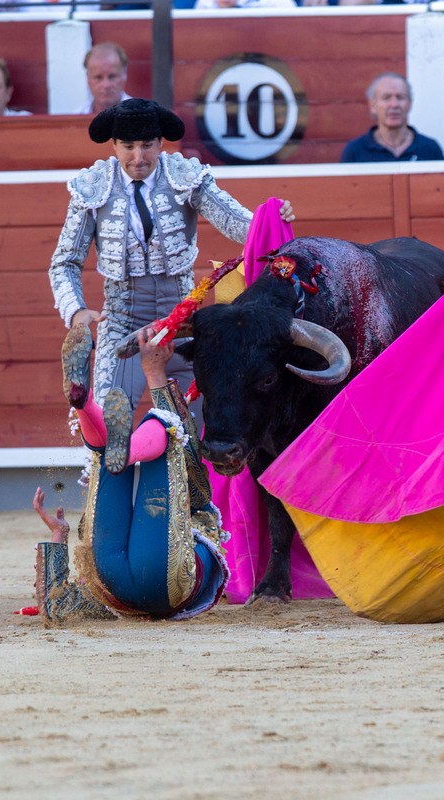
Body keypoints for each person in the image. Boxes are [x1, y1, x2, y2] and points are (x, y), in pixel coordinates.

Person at [49, 97, 294, 410]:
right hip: (122, 324)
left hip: (183, 323)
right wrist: (76, 312)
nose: (138, 157)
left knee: (198, 431)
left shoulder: (184, 177)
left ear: (161, 143)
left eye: (147, 145)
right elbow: (64, 263)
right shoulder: (93, 189)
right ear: (113, 146)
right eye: (128, 146)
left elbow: (234, 222)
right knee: (111, 433)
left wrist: (271, 219)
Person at [31, 322, 229, 626]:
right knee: (169, 434)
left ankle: (84, 405)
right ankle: (122, 446)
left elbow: (59, 608)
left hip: (112, 585)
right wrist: (154, 371)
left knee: (117, 451)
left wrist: (59, 533)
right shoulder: (196, 507)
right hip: (160, 577)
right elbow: (56, 605)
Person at [339, 72, 444, 163]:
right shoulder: (356, 150)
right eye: (386, 98)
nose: (394, 104)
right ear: (373, 105)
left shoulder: (430, 148)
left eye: (400, 97)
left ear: (410, 103)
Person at [75, 43, 132, 115]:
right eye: (98, 77)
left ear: (124, 75)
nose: (106, 85)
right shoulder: (74, 120)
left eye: (112, 76)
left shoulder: (143, 118)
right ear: (88, 78)